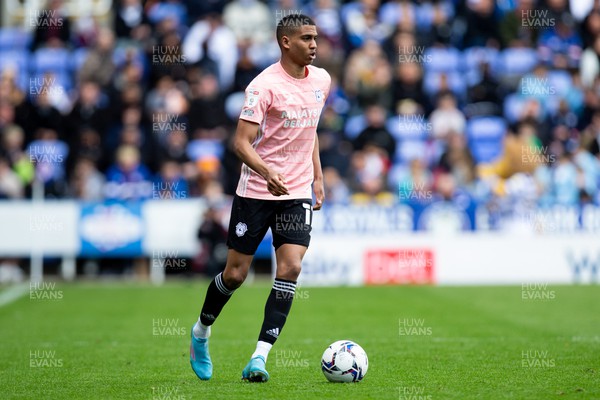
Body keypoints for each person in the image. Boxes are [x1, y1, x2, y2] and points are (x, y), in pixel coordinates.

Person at [189, 14, 330, 382]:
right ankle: (201, 332)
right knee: (235, 274)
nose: (314, 44)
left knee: (291, 268)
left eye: (315, 37)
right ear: (286, 42)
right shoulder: (263, 86)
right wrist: (267, 173)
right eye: (306, 38)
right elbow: (239, 143)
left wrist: (317, 174)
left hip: (296, 190)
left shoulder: (322, 80)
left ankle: (259, 358)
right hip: (256, 191)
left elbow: (309, 128)